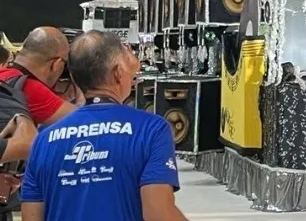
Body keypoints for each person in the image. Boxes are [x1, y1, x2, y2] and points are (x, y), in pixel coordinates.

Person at [19, 31, 186, 221]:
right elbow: (159, 214)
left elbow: (31, 217)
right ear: (117, 73)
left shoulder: (43, 140)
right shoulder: (151, 129)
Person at [0, 28, 75, 127]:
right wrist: (79, 83)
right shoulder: (27, 87)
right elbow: (84, 119)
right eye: (64, 64)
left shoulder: (6, 76)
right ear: (56, 64)